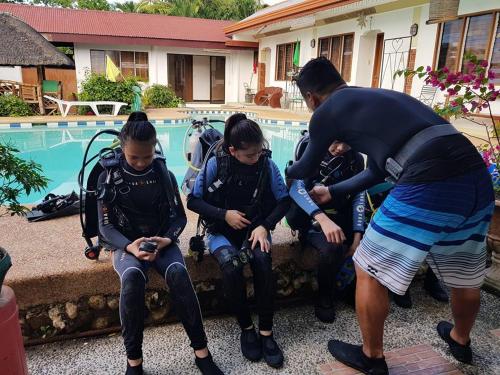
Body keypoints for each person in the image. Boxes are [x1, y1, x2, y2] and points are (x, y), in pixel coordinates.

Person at [285, 57, 494, 373]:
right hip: (477, 179)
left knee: (367, 265)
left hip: (429, 179)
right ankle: (460, 340)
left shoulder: (326, 110)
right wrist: (333, 192)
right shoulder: (378, 98)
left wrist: (284, 170)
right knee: (465, 272)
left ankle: (371, 357)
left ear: (311, 98)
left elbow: (306, 168)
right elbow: (377, 172)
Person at [97, 112, 223, 375]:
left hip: (160, 240)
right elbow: (105, 227)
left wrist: (167, 238)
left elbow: (178, 216)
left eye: (147, 156)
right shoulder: (108, 176)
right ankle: (134, 363)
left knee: (178, 273)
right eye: (134, 157)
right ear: (122, 149)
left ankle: (202, 353)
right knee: (132, 278)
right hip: (126, 244)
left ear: (155, 148)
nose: (142, 163)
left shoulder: (163, 172)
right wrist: (131, 246)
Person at [187, 113, 290, 369]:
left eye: (259, 152)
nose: (256, 158)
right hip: (220, 231)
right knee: (231, 267)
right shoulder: (216, 164)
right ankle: (246, 328)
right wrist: (225, 215)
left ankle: (266, 332)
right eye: (250, 155)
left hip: (255, 230)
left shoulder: (267, 165)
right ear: (233, 151)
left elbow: (285, 201)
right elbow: (193, 200)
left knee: (263, 263)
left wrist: (265, 226)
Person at [287, 139, 366, 322]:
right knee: (334, 246)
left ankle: (349, 289)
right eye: (337, 142)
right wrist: (321, 219)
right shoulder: (309, 149)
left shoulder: (356, 159)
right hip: (312, 220)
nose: (341, 149)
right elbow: (295, 188)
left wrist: (357, 235)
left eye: (348, 144)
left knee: (372, 242)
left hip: (342, 219)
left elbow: (358, 195)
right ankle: (325, 297)